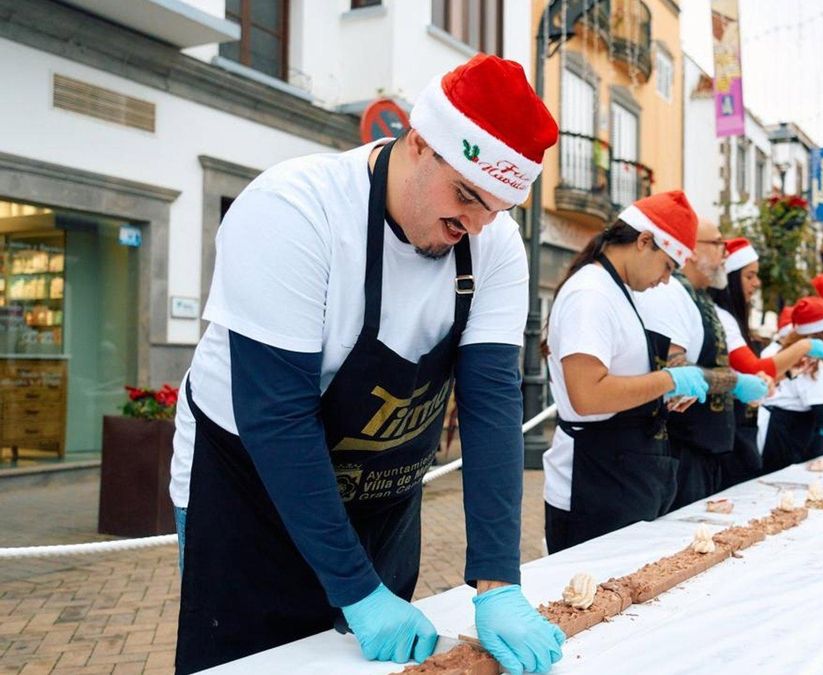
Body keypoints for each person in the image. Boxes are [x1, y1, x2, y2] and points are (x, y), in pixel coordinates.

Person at [169, 55, 565, 673]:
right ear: (418, 141)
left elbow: (491, 402)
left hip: (382, 488)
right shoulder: (295, 211)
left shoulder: (491, 242)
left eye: (497, 208)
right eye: (465, 195)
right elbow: (275, 418)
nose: (475, 224)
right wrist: (358, 592)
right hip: (249, 483)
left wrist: (497, 579)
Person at [542, 192, 710, 554]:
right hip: (593, 482)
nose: (666, 281)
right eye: (667, 266)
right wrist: (668, 380)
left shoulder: (616, 292)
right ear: (644, 241)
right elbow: (587, 397)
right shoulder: (591, 295)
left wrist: (663, 394)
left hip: (619, 476)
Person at [635, 218, 771, 509]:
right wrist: (736, 382)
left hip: (706, 451)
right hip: (682, 449)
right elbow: (677, 369)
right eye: (718, 243)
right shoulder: (671, 293)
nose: (725, 252)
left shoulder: (700, 297)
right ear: (692, 250)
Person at [710, 238, 823, 489]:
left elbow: (759, 380)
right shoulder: (720, 317)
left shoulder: (731, 319)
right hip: (723, 437)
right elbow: (753, 369)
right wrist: (804, 347)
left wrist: (787, 374)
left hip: (739, 433)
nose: (757, 283)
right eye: (750, 276)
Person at [761, 297, 823, 472]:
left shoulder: (789, 353)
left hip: (782, 425)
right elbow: (821, 410)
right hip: (790, 429)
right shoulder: (811, 360)